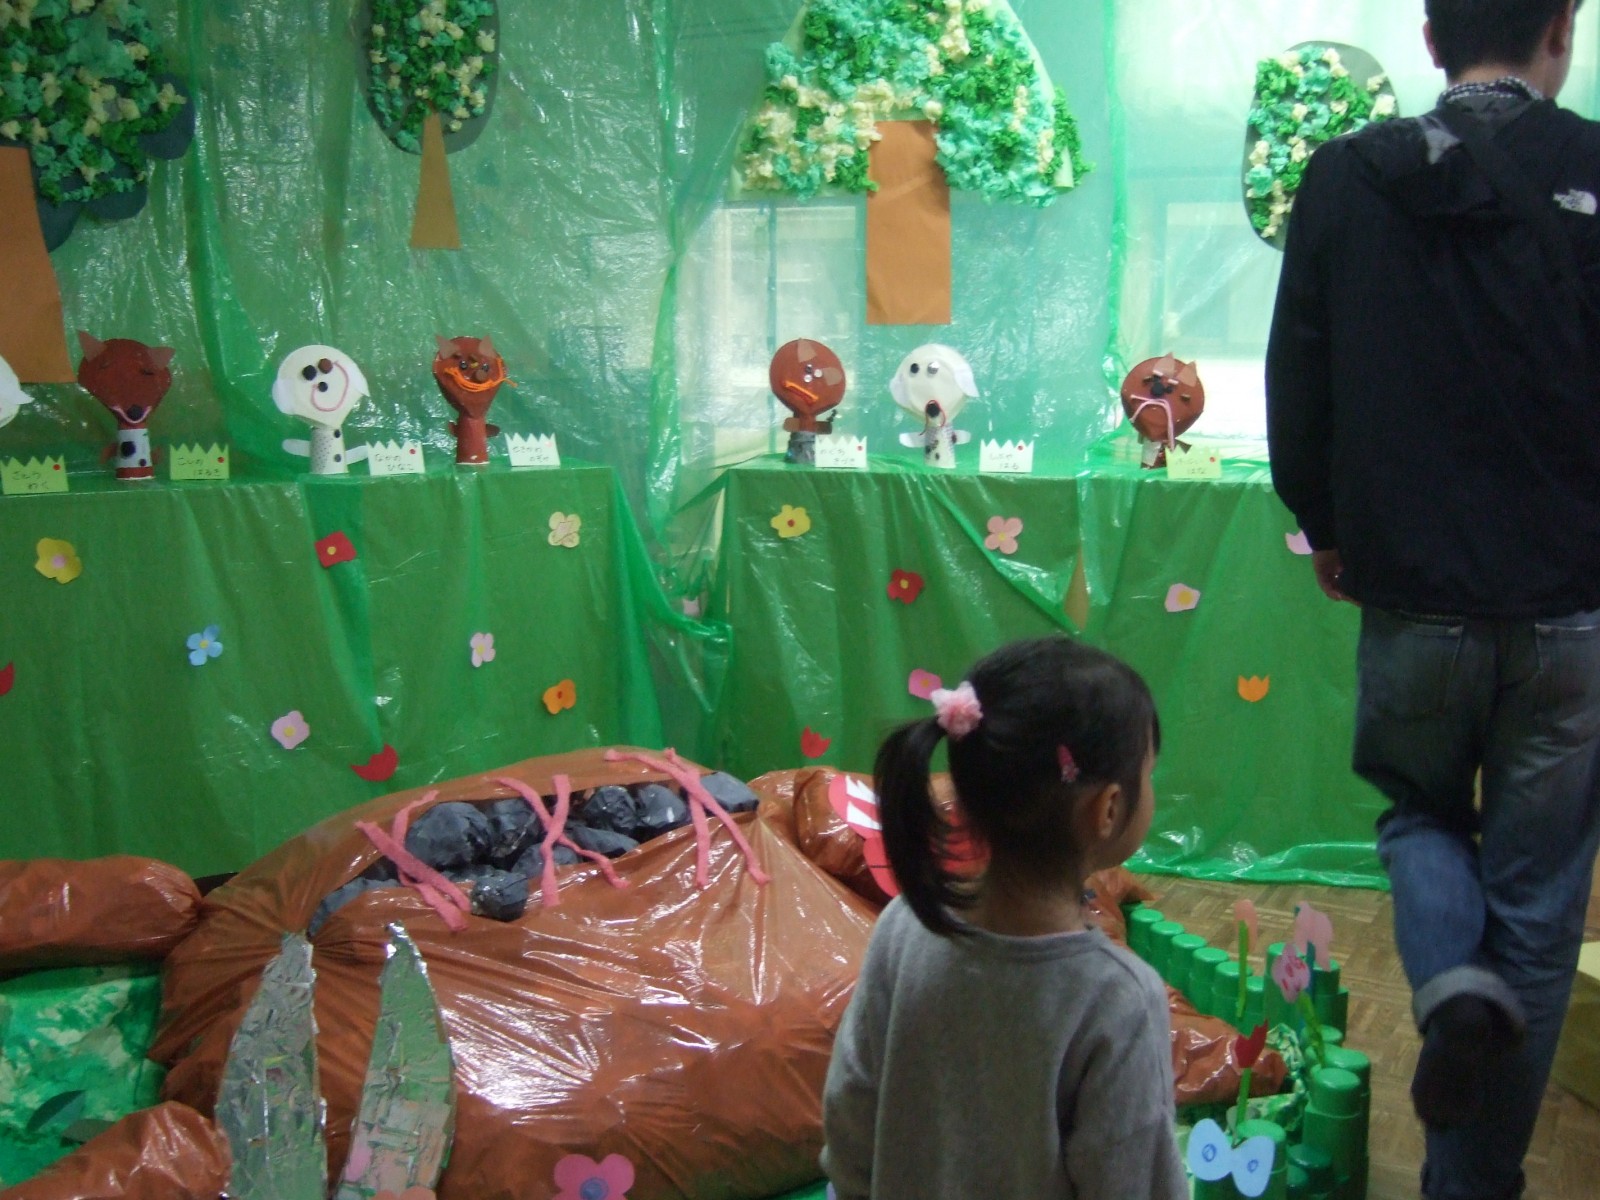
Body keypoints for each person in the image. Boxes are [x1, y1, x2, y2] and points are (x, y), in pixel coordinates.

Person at [1266, 2, 1600, 1196]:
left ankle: (1448, 979)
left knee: (1418, 813)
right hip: (1569, 603)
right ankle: (1472, 1182)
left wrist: (1322, 522)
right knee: (1540, 901)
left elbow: (1297, 370)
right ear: (1560, 30)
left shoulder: (1344, 176)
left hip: (1409, 591)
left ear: (1427, 38)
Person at [820, 636, 1185, 1200]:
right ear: (1109, 809)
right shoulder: (1120, 1000)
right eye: (1149, 772)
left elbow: (850, 1113)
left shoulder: (904, 927)